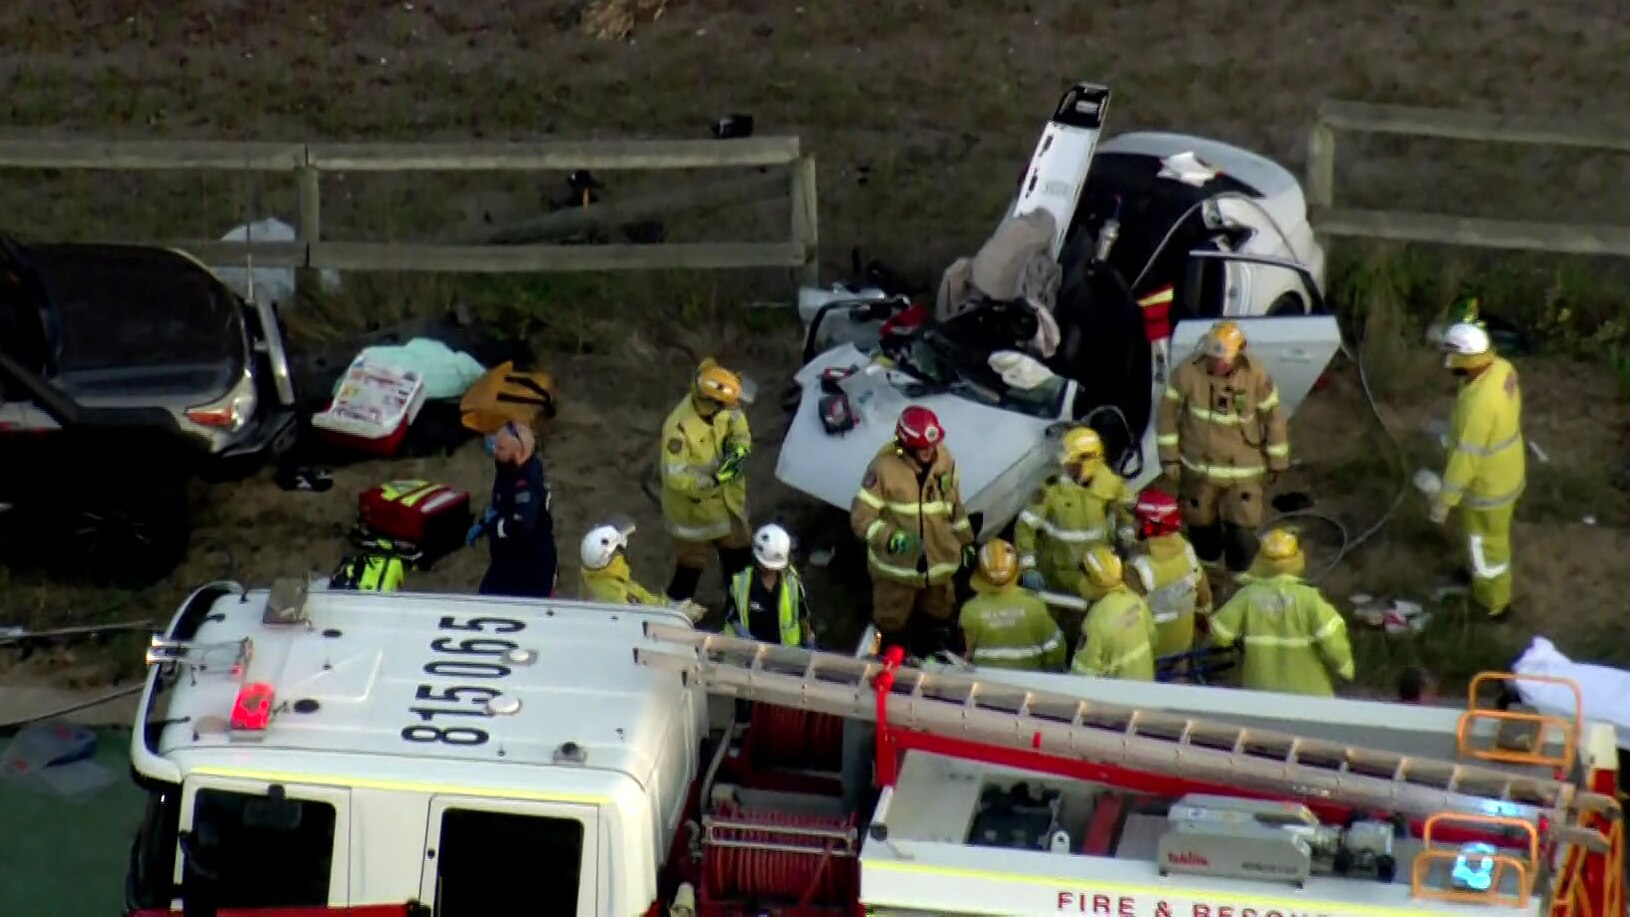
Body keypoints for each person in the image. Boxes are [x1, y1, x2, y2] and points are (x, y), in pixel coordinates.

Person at [1156, 320, 1289, 577]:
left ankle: (1239, 577)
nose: (1217, 364)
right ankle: (1207, 576)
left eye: (1223, 359)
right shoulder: (1187, 374)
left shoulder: (1255, 376)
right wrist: (1169, 460)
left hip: (1242, 470)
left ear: (1239, 353)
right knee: (1201, 527)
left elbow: (1273, 418)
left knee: (1243, 529)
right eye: (1213, 357)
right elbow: (1167, 415)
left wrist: (1277, 461)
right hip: (1199, 469)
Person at [850, 405, 976, 656]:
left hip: (938, 566)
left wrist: (966, 542)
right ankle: (888, 661)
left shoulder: (945, 459)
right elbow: (861, 518)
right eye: (923, 447)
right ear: (906, 446)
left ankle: (931, 659)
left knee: (937, 620)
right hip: (897, 571)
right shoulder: (883, 469)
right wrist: (890, 539)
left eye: (933, 445)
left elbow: (953, 506)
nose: (930, 451)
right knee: (890, 626)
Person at [1431, 322, 1525, 621]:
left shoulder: (1479, 404)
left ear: (1467, 359)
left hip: (1487, 487)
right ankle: (1478, 575)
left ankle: (1494, 604)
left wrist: (1444, 501)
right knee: (1482, 541)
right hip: (1507, 468)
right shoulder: (1501, 368)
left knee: (1487, 547)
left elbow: (1465, 460)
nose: (1449, 365)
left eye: (1453, 358)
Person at [1014, 426, 1136, 635]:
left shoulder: (1113, 486)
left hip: (1094, 573)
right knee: (1052, 625)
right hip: (1056, 573)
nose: (1066, 466)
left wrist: (1125, 544)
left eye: (1072, 463)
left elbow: (1126, 517)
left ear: (1089, 462)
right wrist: (1028, 566)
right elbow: (1026, 526)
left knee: (1089, 625)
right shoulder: (1050, 489)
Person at [1208, 527, 1354, 696]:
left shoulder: (1247, 596)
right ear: (1297, 558)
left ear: (1260, 561)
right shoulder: (1309, 599)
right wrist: (1345, 667)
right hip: (1310, 694)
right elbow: (1332, 637)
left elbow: (1219, 634)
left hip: (1261, 691)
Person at [660, 357, 754, 602]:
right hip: (694, 518)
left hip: (728, 507)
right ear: (713, 402)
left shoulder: (728, 408)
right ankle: (670, 618)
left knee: (741, 569)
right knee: (688, 573)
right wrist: (713, 480)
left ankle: (741, 613)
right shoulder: (679, 428)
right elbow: (676, 477)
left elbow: (740, 432)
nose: (734, 409)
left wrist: (739, 452)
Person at [466, 421, 557, 598]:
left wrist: (494, 525)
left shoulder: (527, 487)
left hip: (529, 567)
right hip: (506, 559)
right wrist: (485, 524)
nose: (494, 452)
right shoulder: (509, 469)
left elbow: (521, 526)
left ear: (517, 453)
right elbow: (503, 505)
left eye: (500, 448)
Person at [1124, 487, 1212, 662]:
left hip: (1152, 649)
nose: (1133, 524)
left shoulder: (1138, 569)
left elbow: (1128, 618)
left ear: (1149, 526)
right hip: (1183, 642)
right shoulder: (1186, 550)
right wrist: (1204, 619)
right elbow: (1204, 594)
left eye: (1137, 520)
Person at [957, 539, 1066, 671]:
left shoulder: (969, 610)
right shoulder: (1035, 604)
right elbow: (1055, 648)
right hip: (1032, 680)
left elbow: (968, 655)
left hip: (988, 682)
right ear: (1016, 570)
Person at [1070, 545, 1158, 681]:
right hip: (1145, 685)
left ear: (1094, 582)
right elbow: (1153, 638)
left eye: (1083, 576)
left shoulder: (1094, 624)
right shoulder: (1136, 601)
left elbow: (1082, 674)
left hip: (1114, 698)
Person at [724, 523, 815, 647]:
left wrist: (809, 642)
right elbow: (732, 615)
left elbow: (803, 616)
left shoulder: (792, 581)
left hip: (785, 653)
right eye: (766, 566)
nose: (770, 570)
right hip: (748, 651)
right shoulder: (741, 580)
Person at [578, 522, 666, 606]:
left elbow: (651, 601)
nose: (621, 554)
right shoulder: (612, 592)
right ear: (608, 557)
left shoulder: (615, 581)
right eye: (618, 550)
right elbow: (632, 617)